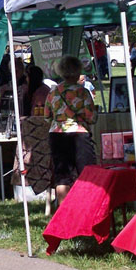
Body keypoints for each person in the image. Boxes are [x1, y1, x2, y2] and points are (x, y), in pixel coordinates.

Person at [45, 55, 97, 204]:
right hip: (79, 134)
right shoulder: (83, 92)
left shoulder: (53, 92)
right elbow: (92, 117)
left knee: (62, 175)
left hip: (57, 134)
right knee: (87, 173)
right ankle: (87, 207)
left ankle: (63, 211)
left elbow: (47, 116)